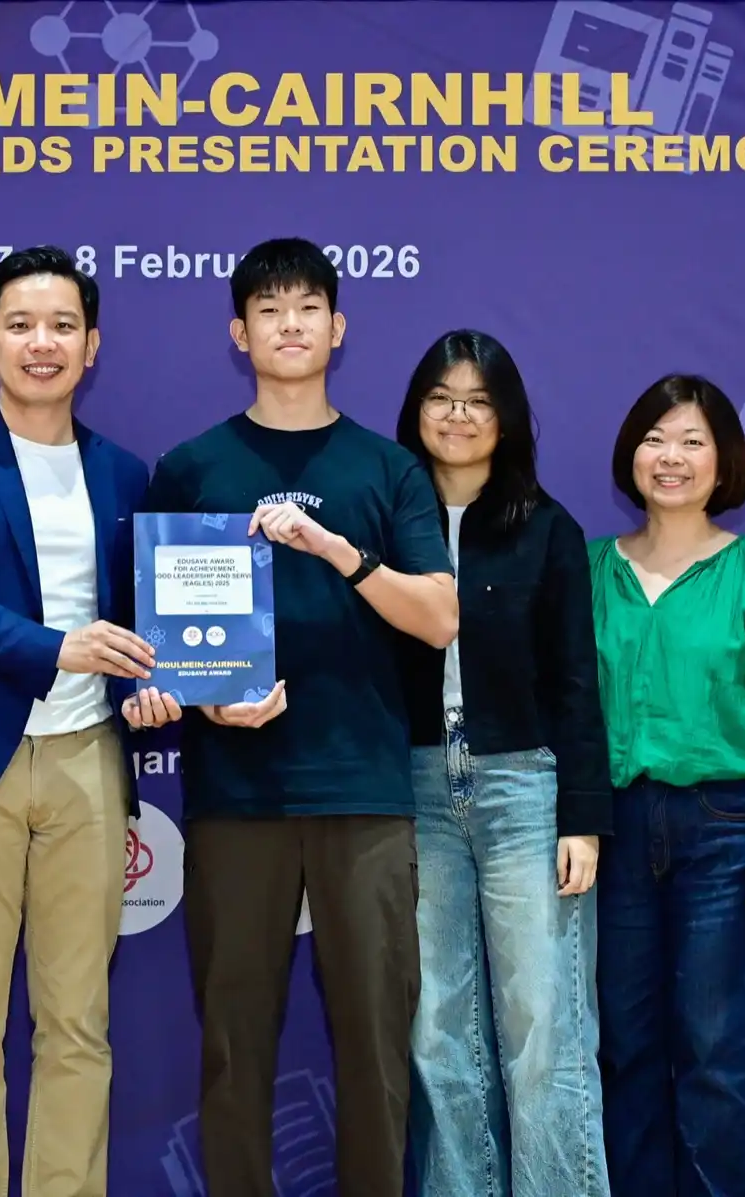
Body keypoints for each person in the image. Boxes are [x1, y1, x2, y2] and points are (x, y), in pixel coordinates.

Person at [139, 236, 458, 1197]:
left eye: (308, 307)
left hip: (363, 788)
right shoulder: (190, 467)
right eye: (269, 310)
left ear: (338, 326)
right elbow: (158, 644)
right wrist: (210, 700)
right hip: (237, 795)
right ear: (240, 333)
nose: (290, 324)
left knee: (375, 1044)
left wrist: (337, 551)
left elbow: (439, 617)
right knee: (234, 1045)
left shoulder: (387, 468)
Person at [0, 245, 176, 1197]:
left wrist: (153, 685)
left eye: (61, 326)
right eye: (20, 325)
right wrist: (57, 648)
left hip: (89, 764)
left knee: (78, 1024)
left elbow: (140, 623)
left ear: (92, 345)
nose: (40, 343)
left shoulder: (125, 472)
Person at [589, 374, 745, 1197]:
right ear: (631, 455)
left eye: (692, 441)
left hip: (726, 827)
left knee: (712, 1049)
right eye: (655, 438)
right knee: (623, 1045)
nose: (671, 457)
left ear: (724, 461)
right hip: (611, 830)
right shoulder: (590, 568)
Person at [392, 330, 612, 1196]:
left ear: (508, 417)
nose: (458, 415)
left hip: (525, 786)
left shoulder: (548, 529)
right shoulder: (386, 521)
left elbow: (576, 681)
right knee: (436, 1030)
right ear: (416, 409)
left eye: (479, 401)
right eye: (442, 397)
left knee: (543, 1028)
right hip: (413, 783)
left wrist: (582, 817)